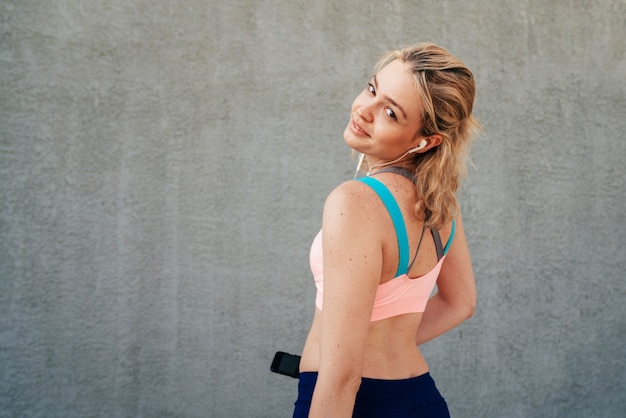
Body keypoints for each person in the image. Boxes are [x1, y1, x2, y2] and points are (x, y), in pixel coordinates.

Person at [292, 42, 480, 417]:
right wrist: (387, 341)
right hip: (421, 399)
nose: (364, 109)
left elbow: (344, 375)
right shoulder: (440, 204)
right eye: (373, 89)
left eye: (391, 113)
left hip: (358, 403)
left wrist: (350, 349)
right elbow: (460, 303)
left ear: (425, 141)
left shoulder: (354, 201)